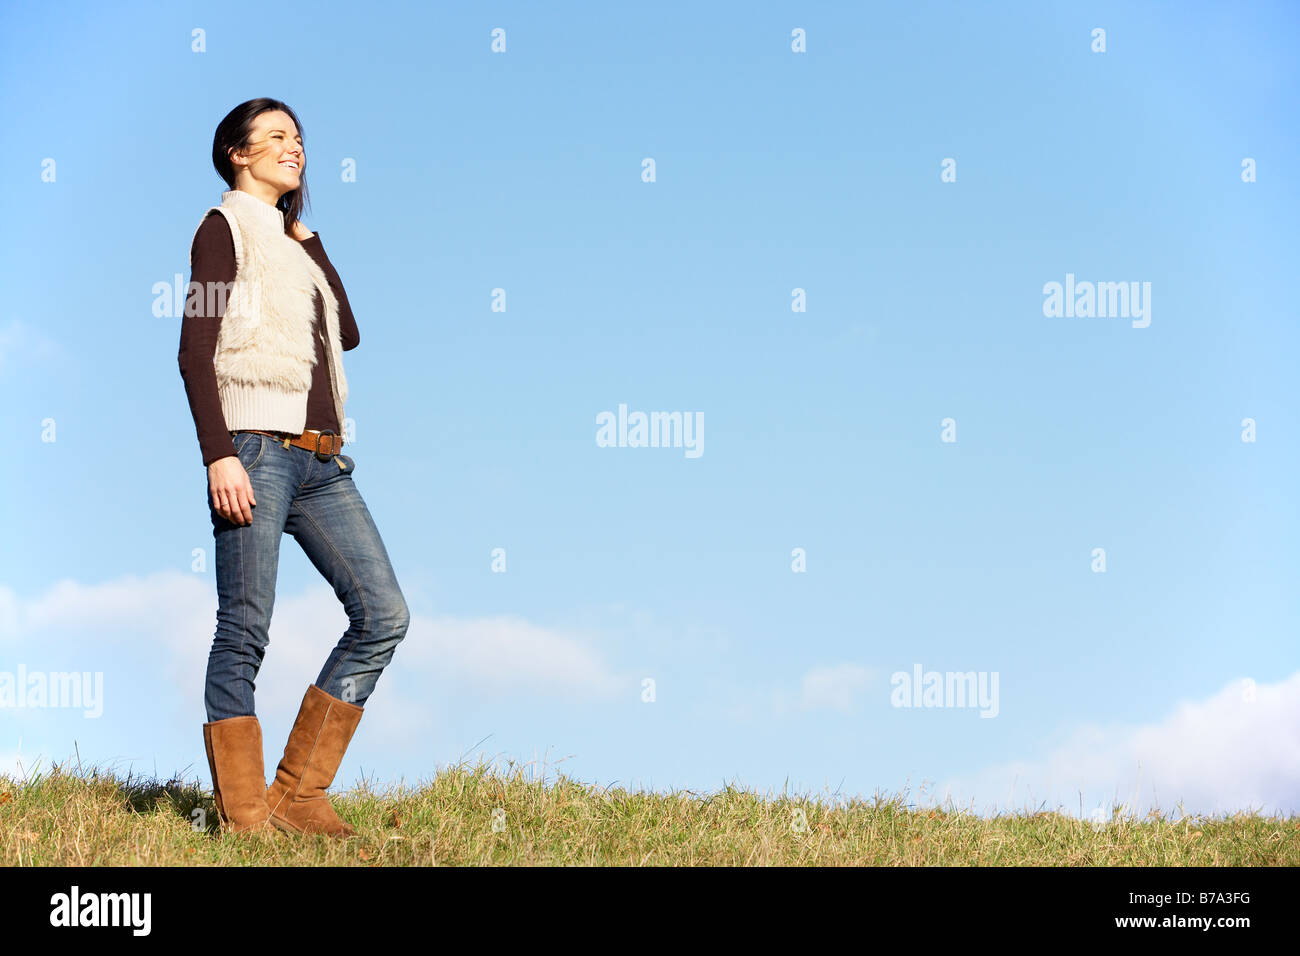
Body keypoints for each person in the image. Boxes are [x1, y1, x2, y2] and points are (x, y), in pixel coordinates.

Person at [178, 97, 409, 837]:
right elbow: (194, 349)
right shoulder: (223, 229)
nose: (294, 147)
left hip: (321, 460)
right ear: (237, 155)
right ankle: (244, 815)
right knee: (245, 626)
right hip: (253, 450)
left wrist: (314, 248)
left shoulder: (293, 242)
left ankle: (298, 794)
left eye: (299, 138)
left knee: (384, 615)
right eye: (276, 136)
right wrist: (219, 453)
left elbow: (349, 331)